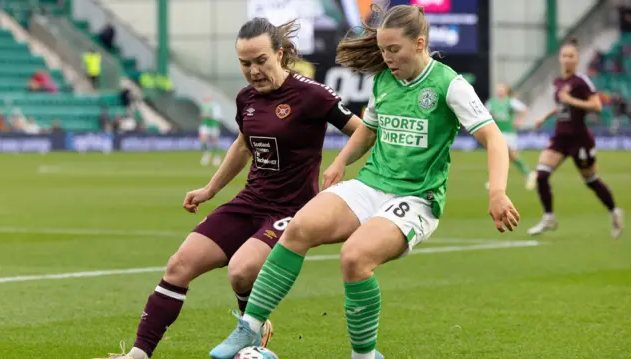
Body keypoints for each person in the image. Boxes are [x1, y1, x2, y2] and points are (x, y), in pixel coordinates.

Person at [210, 5, 519, 359]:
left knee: (354, 259)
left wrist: (497, 192)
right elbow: (368, 131)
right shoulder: (384, 81)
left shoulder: (449, 85)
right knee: (298, 228)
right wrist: (340, 161)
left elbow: (495, 139)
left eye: (394, 50)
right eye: (383, 50)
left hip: (417, 197)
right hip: (372, 184)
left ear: (419, 44)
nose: (386, 58)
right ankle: (249, 327)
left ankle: (364, 355)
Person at [97, 17, 361, 359]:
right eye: (245, 63)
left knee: (241, 271)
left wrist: (339, 163)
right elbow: (242, 145)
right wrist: (210, 189)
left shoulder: (311, 95)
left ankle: (251, 325)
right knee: (179, 265)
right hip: (250, 202)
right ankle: (138, 353)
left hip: (291, 210)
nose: (253, 70)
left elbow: (360, 129)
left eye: (260, 61)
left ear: (280, 55)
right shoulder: (246, 99)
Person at [527, 38, 624, 238]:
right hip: (560, 138)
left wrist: (571, 100)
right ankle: (549, 216)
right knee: (542, 175)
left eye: (571, 56)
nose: (567, 59)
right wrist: (545, 117)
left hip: (579, 139)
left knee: (591, 181)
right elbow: (562, 105)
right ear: (560, 58)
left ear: (577, 59)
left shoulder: (581, 81)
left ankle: (614, 211)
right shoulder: (559, 81)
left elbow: (596, 105)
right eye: (564, 55)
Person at [484, 83, 536, 190]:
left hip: (509, 133)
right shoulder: (491, 102)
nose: (499, 90)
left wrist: (519, 121)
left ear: (506, 91)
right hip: (497, 132)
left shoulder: (511, 101)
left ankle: (528, 173)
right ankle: (496, 181)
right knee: (498, 154)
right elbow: (484, 114)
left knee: (512, 155)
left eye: (502, 88)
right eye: (498, 88)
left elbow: (524, 110)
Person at [199, 95, 223, 166]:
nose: (206, 99)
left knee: (214, 141)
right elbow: (202, 115)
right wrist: (202, 115)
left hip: (213, 125)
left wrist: (209, 115)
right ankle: (206, 154)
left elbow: (218, 117)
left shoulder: (215, 106)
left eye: (208, 98)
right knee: (203, 139)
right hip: (205, 125)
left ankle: (217, 156)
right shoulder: (203, 106)